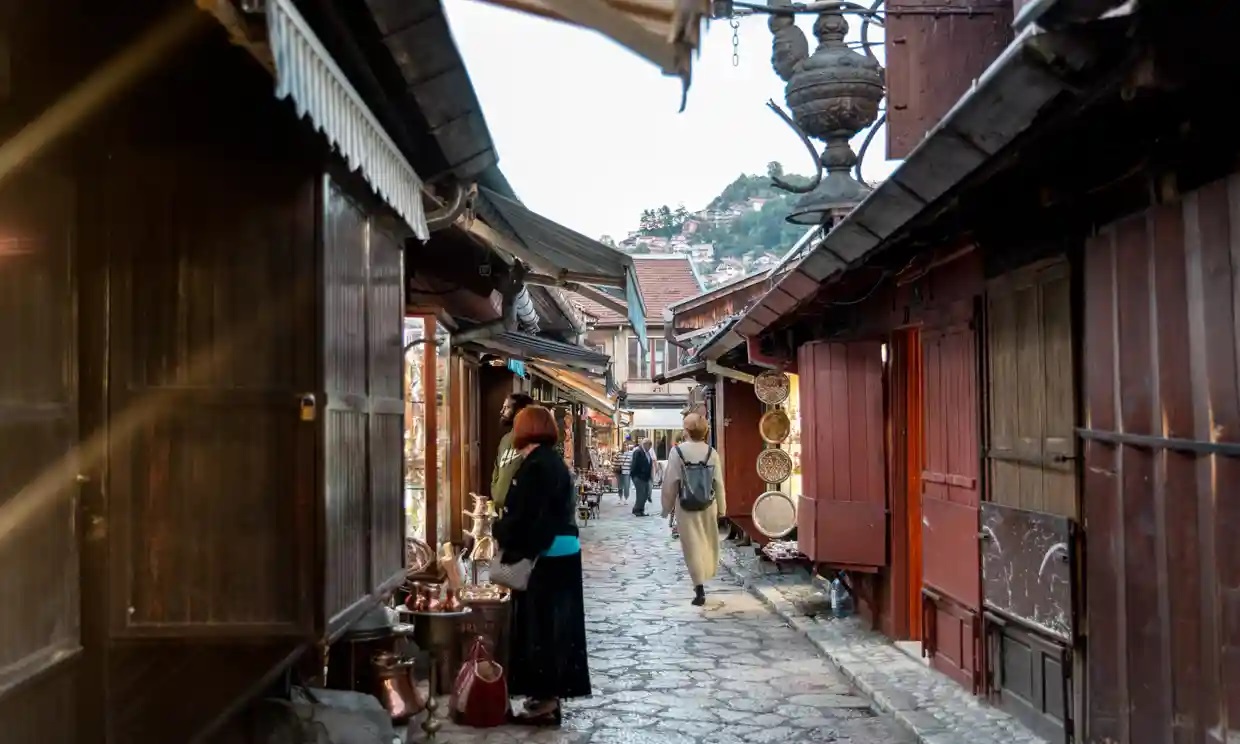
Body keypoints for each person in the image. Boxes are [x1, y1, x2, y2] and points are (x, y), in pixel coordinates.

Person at [492, 406, 592, 725]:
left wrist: (503, 535)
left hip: (545, 557)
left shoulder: (536, 466)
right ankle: (546, 698)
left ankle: (546, 703)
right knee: (557, 630)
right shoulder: (552, 462)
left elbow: (530, 519)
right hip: (562, 552)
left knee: (542, 630)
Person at [660, 413, 726, 606]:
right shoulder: (711, 452)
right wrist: (722, 507)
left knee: (692, 545)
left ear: (686, 430)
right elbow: (719, 483)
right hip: (708, 504)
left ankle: (699, 587)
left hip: (686, 505)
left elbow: (670, 482)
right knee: (707, 541)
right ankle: (706, 573)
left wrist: (666, 507)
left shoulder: (678, 452)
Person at [491, 393, 534, 511]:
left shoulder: (534, 440)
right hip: (502, 513)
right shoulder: (505, 439)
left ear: (520, 411)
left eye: (507, 408)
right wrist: (497, 494)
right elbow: (497, 470)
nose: (502, 411)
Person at [630, 439, 655, 517]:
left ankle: (640, 509)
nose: (650, 448)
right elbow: (634, 464)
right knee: (641, 494)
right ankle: (637, 510)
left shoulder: (647, 453)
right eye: (649, 445)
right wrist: (635, 476)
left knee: (645, 494)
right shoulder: (638, 452)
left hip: (645, 477)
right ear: (645, 444)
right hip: (639, 477)